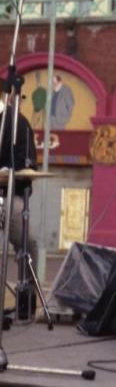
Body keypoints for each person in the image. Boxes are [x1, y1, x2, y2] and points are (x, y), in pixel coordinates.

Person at [0, 102, 39, 270]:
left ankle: (27, 291)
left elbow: (27, 162)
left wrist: (8, 171)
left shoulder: (18, 122)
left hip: (9, 193)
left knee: (27, 241)